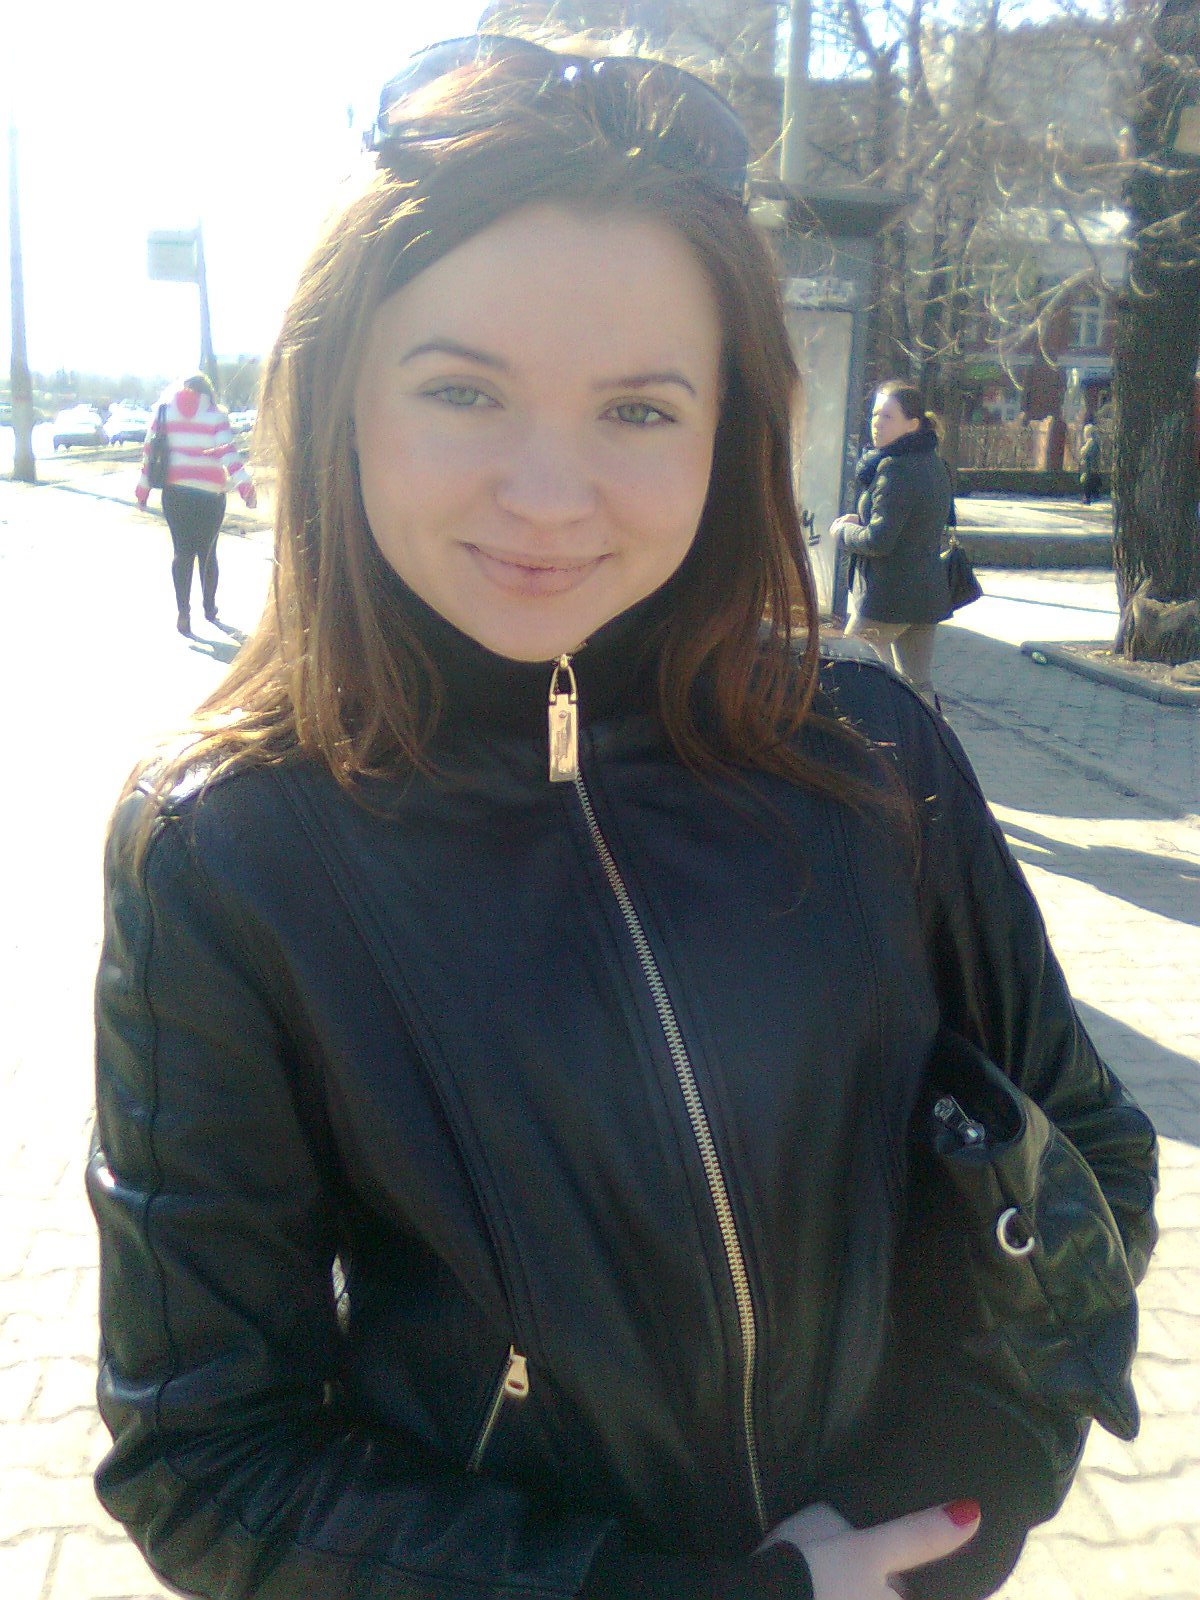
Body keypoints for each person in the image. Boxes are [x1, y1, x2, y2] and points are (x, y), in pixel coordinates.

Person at [88, 35, 1157, 1600]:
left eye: (640, 411)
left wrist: (940, 1512)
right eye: (464, 390)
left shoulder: (873, 755)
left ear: (731, 428)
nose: (547, 494)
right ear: (341, 401)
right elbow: (205, 1452)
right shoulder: (224, 853)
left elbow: (1084, 1159)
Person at [831, 384, 954, 708]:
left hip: (889, 598)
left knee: (845, 669)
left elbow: (879, 540)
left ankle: (855, 734)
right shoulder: (933, 463)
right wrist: (861, 520)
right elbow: (912, 524)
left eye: (887, 416)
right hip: (926, 595)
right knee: (917, 684)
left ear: (912, 424)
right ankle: (931, 739)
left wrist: (843, 533)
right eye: (875, 414)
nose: (877, 423)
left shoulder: (895, 467)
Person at [135, 372, 257, 634]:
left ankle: (183, 613)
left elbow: (149, 453)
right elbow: (228, 453)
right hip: (210, 495)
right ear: (207, 391)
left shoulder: (164, 412)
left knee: (182, 552)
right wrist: (245, 487)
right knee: (208, 553)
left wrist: (143, 490)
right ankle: (209, 608)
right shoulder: (216, 415)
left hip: (175, 492)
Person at [1078, 423, 1103, 506]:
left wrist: (1093, 467)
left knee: (1087, 482)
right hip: (1086, 467)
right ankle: (1088, 497)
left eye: (1085, 432)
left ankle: (1087, 498)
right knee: (1086, 481)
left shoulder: (1091, 443)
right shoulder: (1090, 442)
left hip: (1088, 467)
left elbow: (1090, 455)